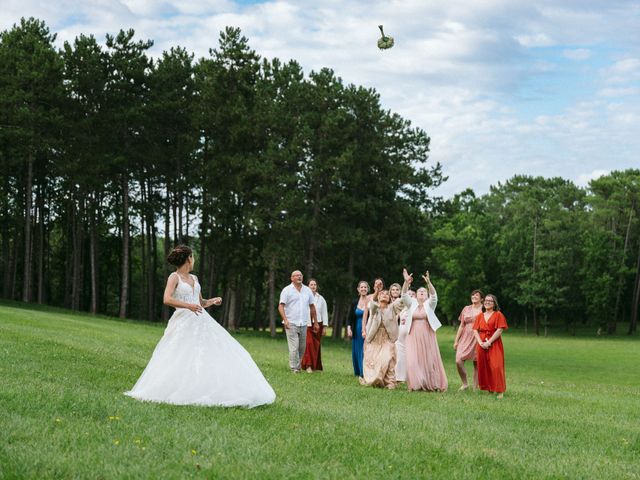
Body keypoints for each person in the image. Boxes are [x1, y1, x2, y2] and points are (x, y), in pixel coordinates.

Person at [125, 245, 275, 407]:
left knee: (209, 352)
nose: (194, 260)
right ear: (188, 258)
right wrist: (188, 306)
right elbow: (167, 299)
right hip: (182, 321)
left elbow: (200, 303)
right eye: (193, 257)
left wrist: (212, 301)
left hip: (201, 320)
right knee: (180, 353)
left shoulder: (194, 279)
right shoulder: (174, 277)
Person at [361, 276, 411, 389]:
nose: (384, 295)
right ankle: (376, 379)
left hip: (388, 339)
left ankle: (390, 382)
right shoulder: (375, 308)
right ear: (378, 297)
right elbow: (372, 303)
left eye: (386, 294)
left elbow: (403, 299)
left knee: (386, 359)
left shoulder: (393, 308)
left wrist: (406, 283)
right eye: (382, 294)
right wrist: (377, 291)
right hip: (374, 338)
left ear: (389, 299)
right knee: (373, 360)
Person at [404, 269, 448, 392]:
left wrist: (428, 283)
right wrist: (406, 282)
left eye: (424, 291)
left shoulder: (430, 304)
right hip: (412, 334)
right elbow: (403, 295)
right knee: (412, 361)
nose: (422, 293)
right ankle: (415, 384)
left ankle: (430, 383)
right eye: (420, 291)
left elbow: (434, 296)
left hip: (427, 334)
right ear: (416, 294)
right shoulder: (411, 303)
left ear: (426, 295)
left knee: (428, 359)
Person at [278, 270, 318, 373]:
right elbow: (281, 306)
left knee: (302, 348)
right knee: (294, 347)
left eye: (300, 275)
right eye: (297, 276)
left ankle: (298, 366)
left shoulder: (307, 290)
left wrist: (316, 322)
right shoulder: (287, 290)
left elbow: (312, 306)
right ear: (292, 278)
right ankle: (294, 368)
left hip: (304, 323)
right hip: (291, 323)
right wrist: (285, 320)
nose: (299, 277)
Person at [472, 293, 508, 398]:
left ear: (494, 303)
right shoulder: (480, 316)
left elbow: (500, 329)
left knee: (496, 366)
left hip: (494, 343)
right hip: (481, 344)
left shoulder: (498, 314)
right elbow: (475, 330)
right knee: (484, 366)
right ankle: (490, 388)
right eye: (486, 300)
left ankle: (500, 390)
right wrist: (480, 342)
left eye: (490, 301)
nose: (487, 302)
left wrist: (489, 342)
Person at [454, 289, 483, 390]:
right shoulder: (466, 308)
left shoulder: (483, 309)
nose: (474, 296)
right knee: (458, 360)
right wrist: (456, 341)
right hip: (465, 337)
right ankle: (465, 383)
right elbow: (461, 326)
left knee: (477, 363)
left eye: (477, 295)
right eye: (473, 295)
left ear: (481, 299)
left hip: (478, 337)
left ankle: (475, 388)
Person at [301, 278, 329, 373]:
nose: (313, 286)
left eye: (314, 285)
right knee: (308, 344)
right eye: (311, 285)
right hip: (307, 323)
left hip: (318, 324)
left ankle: (315, 366)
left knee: (316, 345)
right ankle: (308, 365)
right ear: (308, 286)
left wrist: (324, 327)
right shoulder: (303, 297)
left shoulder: (321, 299)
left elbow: (324, 313)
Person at [346, 281, 369, 379]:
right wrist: (348, 328)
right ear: (358, 289)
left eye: (365, 287)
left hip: (367, 329)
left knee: (365, 351)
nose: (363, 289)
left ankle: (365, 372)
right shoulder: (354, 302)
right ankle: (358, 371)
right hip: (356, 330)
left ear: (368, 289)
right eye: (361, 287)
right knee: (357, 351)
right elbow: (349, 317)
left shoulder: (371, 301)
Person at [395, 289, 416, 383]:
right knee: (400, 356)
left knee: (410, 355)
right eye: (408, 294)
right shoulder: (402, 308)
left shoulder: (416, 308)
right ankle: (399, 376)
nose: (410, 296)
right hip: (400, 334)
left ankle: (410, 376)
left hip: (411, 334)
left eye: (412, 294)